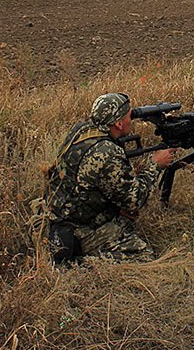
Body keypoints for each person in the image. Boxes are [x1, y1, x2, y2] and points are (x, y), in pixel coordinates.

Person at [44, 92, 173, 263]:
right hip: (76, 229)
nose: (131, 119)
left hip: (58, 211)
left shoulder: (82, 130)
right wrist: (155, 165)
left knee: (124, 215)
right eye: (129, 115)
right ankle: (77, 263)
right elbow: (134, 200)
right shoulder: (107, 153)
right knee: (143, 254)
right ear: (118, 123)